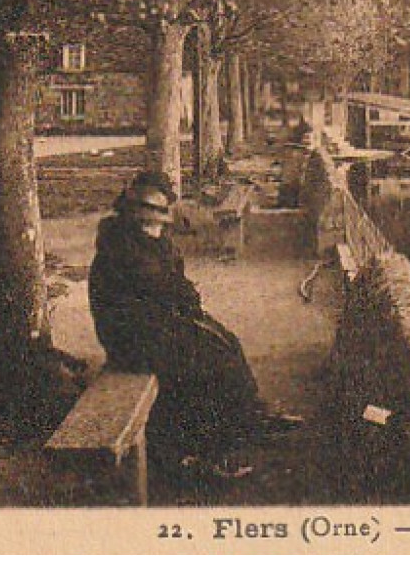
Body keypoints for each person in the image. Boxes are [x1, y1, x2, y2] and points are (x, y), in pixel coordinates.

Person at [87, 172, 299, 478]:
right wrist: (183, 301)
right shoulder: (123, 245)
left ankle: (249, 416)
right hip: (131, 336)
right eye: (152, 211)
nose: (159, 218)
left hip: (157, 321)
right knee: (204, 366)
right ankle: (202, 453)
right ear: (132, 210)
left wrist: (186, 302)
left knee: (226, 341)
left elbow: (174, 283)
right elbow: (157, 286)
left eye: (162, 211)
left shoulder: (152, 240)